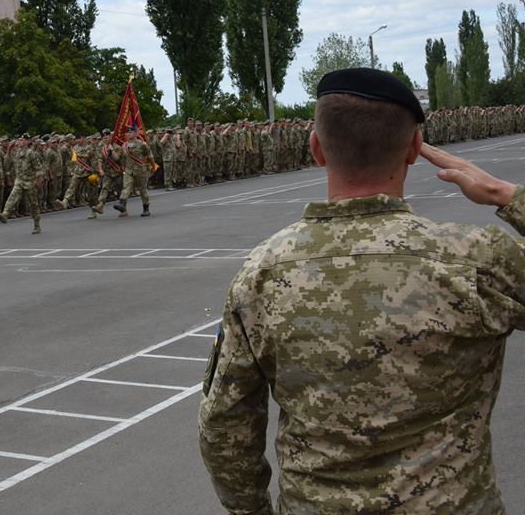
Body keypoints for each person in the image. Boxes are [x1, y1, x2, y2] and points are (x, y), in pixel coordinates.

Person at [199, 67, 525, 514]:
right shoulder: (477, 259)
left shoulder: (262, 272)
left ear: (316, 148)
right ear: (414, 149)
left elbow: (225, 426)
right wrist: (506, 195)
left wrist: (250, 510)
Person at [0, 135, 43, 234]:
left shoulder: (31, 153)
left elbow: (38, 168)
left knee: (33, 204)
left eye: (22, 140)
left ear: (27, 142)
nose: (19, 141)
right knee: (12, 197)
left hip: (29, 181)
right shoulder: (17, 153)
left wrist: (39, 180)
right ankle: (5, 214)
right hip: (19, 181)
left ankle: (37, 225)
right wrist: (8, 150)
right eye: (19, 140)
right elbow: (6, 164)